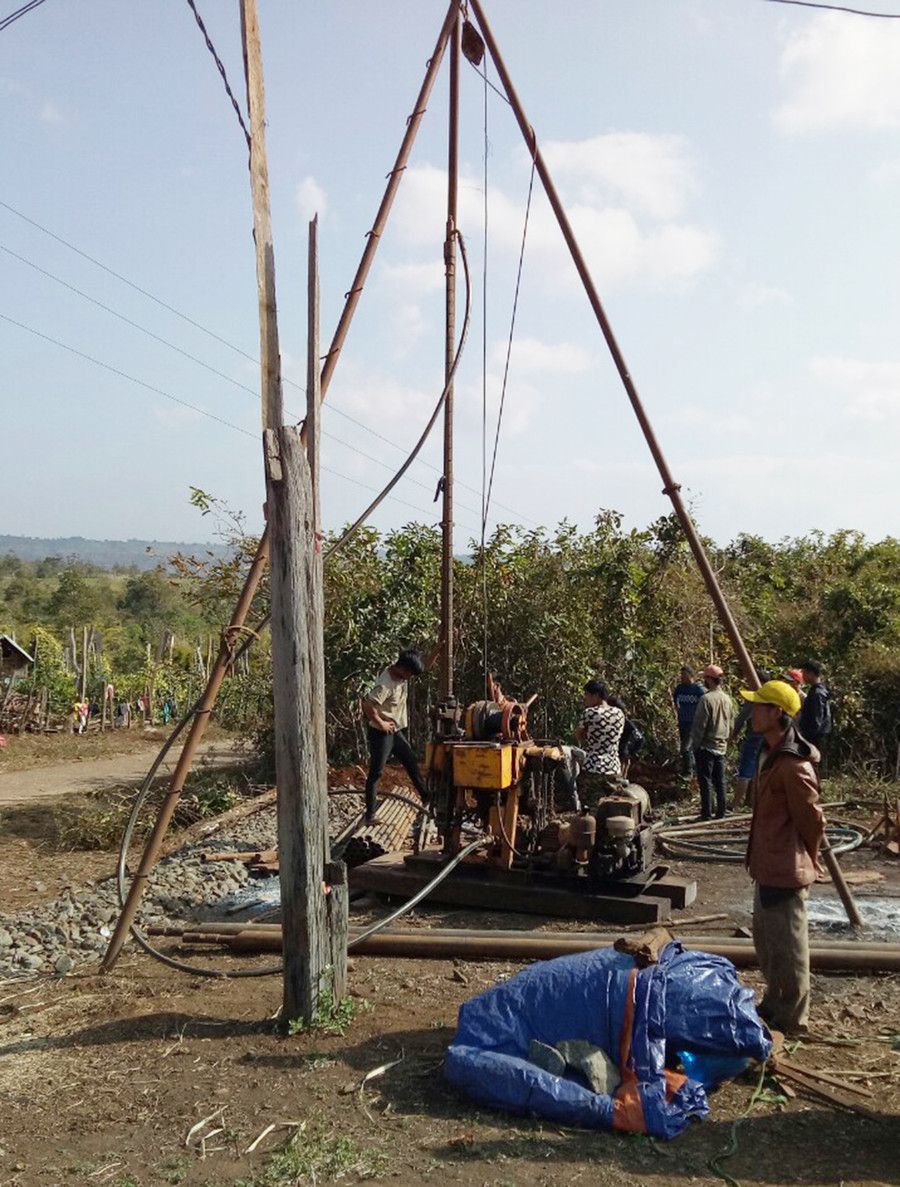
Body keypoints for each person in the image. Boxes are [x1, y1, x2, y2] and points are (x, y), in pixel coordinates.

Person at [740, 679, 825, 1035]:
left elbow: (812, 821)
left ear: (777, 713)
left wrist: (806, 858)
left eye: (759, 707)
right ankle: (774, 1005)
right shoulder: (770, 755)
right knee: (767, 944)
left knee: (789, 951)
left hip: (786, 869)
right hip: (767, 866)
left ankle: (792, 1019)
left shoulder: (793, 766)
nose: (752, 713)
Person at [362, 649, 429, 824]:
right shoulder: (386, 684)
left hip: (395, 730)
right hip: (381, 733)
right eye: (410, 674)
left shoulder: (401, 674)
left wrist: (438, 648)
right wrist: (381, 723)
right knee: (376, 772)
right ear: (403, 669)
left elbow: (422, 666)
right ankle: (370, 815)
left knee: (411, 761)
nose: (410, 678)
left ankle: (427, 797)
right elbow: (368, 705)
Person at [690, 664, 735, 819]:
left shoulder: (706, 699)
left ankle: (707, 813)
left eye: (705, 678)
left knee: (706, 781)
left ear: (710, 680)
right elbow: (731, 723)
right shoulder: (727, 699)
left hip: (706, 746)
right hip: (721, 746)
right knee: (720, 781)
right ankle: (721, 812)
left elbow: (700, 725)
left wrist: (695, 744)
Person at [574, 680, 625, 804]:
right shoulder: (619, 713)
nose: (585, 698)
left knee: (591, 809)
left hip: (593, 768)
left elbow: (578, 735)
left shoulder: (589, 713)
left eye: (587, 695)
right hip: (614, 768)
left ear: (595, 695)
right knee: (614, 809)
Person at [731, 669, 771, 811]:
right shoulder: (773, 696)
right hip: (768, 740)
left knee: (745, 772)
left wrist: (734, 734)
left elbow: (742, 717)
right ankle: (754, 803)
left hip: (755, 737)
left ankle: (735, 804)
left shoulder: (757, 697)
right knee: (760, 771)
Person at [672, 665, 706, 777]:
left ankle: (689, 772)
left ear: (691, 675)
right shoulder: (680, 688)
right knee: (687, 747)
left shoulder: (698, 690)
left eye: (684, 674)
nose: (681, 677)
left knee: (686, 748)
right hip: (682, 721)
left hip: (694, 723)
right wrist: (678, 709)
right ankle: (691, 769)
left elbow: (706, 703)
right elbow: (675, 698)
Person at [798, 661, 832, 753]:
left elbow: (816, 718)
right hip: (818, 736)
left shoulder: (817, 693)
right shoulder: (819, 690)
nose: (803, 675)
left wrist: (807, 737)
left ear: (811, 673)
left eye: (804, 672)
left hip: (815, 738)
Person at [608, 695, 644, 780]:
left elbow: (640, 739)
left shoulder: (627, 723)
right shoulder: (607, 722)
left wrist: (631, 753)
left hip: (620, 757)